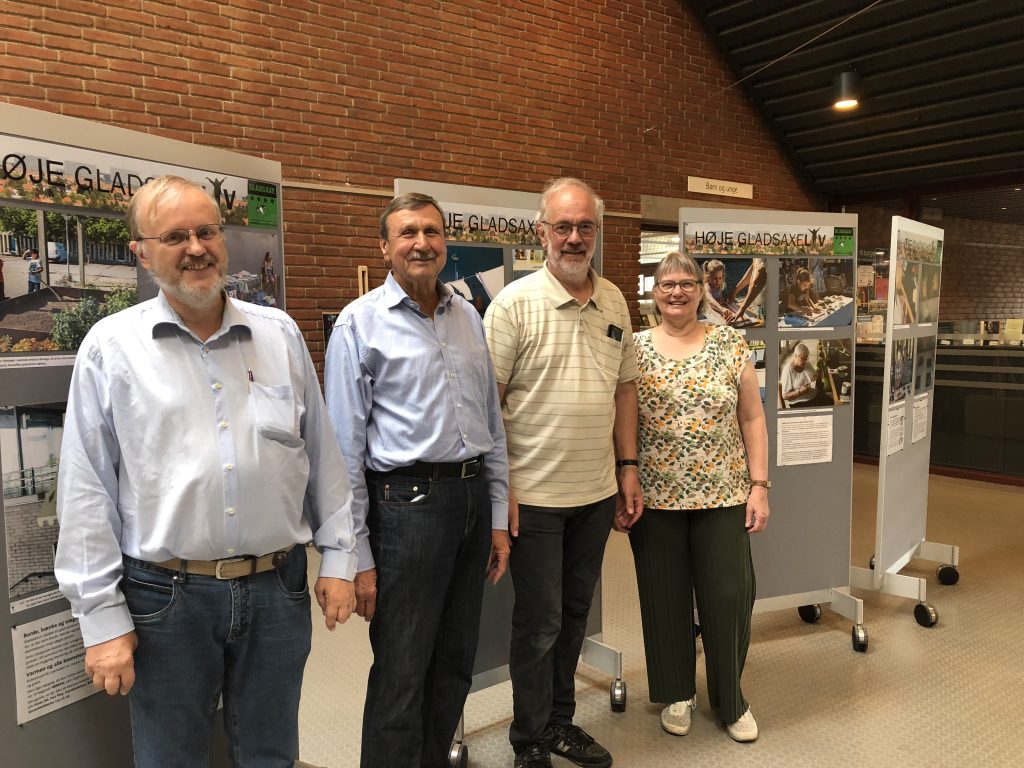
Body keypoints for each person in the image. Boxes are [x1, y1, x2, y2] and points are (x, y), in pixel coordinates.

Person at [54, 175, 358, 768]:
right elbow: (87, 489)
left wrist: (342, 559)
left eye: (207, 231)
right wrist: (101, 617)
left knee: (272, 753)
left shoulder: (279, 335)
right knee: (171, 757)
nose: (197, 247)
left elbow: (322, 456)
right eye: (175, 236)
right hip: (166, 599)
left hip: (277, 588)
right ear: (141, 252)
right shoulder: (111, 349)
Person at [325, 192, 510, 768]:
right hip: (407, 507)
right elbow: (343, 453)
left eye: (431, 231)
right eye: (407, 233)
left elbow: (492, 424)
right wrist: (356, 557)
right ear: (385, 247)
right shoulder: (359, 324)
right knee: (403, 668)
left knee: (455, 661)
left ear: (445, 244)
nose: (421, 243)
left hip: (472, 499)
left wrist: (498, 519)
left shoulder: (468, 316)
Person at [484, 177, 643, 768]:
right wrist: (505, 492)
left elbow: (625, 390)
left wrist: (628, 468)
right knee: (539, 622)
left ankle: (559, 724)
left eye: (585, 227)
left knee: (574, 614)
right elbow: (487, 408)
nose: (574, 238)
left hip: (597, 492)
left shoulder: (616, 301)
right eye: (563, 227)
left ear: (596, 232)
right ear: (541, 232)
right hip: (536, 498)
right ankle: (529, 740)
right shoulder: (512, 306)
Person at [628, 251, 770, 745]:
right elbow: (624, 421)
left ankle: (731, 697)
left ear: (701, 291)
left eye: (687, 283)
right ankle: (676, 692)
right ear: (655, 291)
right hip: (656, 497)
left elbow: (752, 417)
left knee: (728, 599)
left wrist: (760, 486)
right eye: (667, 283)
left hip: (725, 494)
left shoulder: (731, 344)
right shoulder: (636, 347)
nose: (677, 292)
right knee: (664, 597)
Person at [780, 342, 817, 407]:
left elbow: (815, 375)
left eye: (806, 358)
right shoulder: (787, 370)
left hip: (815, 397)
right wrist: (800, 392)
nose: (805, 361)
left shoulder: (806, 363)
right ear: (795, 356)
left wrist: (815, 377)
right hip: (801, 403)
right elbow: (785, 396)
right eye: (803, 358)